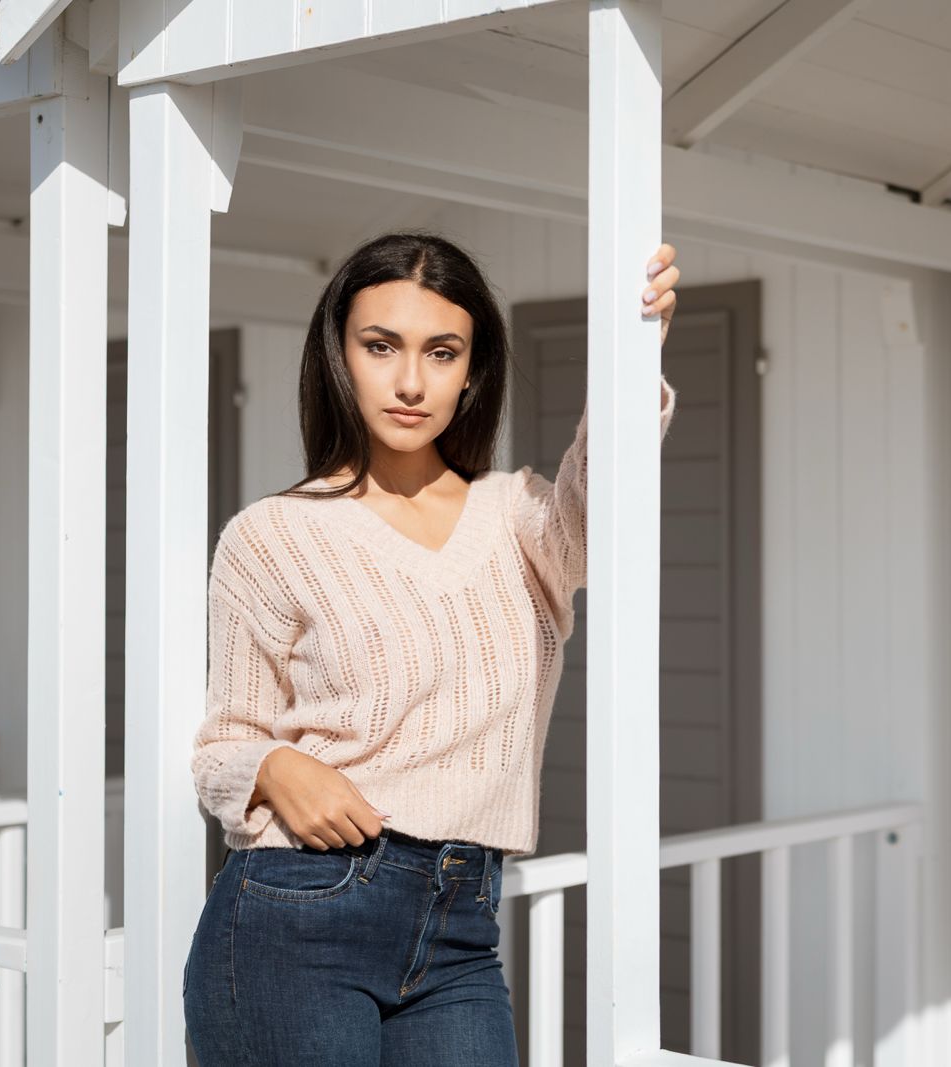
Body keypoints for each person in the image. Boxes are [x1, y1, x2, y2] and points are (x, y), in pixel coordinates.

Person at [181, 231, 680, 1065]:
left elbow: (607, 508)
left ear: (471, 372)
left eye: (442, 352)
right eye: (381, 346)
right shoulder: (271, 536)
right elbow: (222, 745)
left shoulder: (521, 518)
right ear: (339, 356)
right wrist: (276, 765)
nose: (411, 381)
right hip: (298, 914)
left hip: (460, 932)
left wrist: (634, 352)